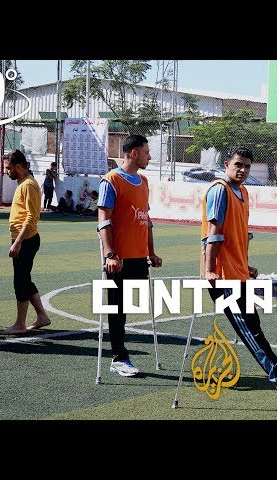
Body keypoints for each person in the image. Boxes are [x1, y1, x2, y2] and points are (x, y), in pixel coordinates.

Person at [201, 146, 277, 393]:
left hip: (237, 272)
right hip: (223, 276)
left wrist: (244, 265)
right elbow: (213, 234)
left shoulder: (244, 192)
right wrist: (209, 270)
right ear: (226, 163)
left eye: (247, 166)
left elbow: (237, 235)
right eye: (238, 164)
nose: (242, 170)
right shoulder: (220, 190)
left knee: (253, 325)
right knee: (247, 328)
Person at [97, 134, 162, 377]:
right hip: (119, 258)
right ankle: (118, 357)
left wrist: (152, 252)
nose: (150, 156)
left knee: (132, 304)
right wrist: (110, 254)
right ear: (134, 153)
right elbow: (103, 220)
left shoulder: (144, 181)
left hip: (139, 256)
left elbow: (147, 220)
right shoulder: (111, 180)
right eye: (146, 152)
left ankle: (120, 353)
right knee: (117, 307)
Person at [1, 150, 52, 335]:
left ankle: (20, 324)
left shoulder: (28, 185)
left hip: (26, 241)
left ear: (18, 167)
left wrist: (18, 242)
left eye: (8, 168)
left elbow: (31, 217)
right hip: (23, 240)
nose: (6, 172)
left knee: (20, 282)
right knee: (24, 279)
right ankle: (42, 316)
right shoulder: (23, 183)